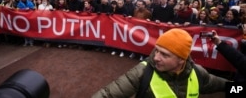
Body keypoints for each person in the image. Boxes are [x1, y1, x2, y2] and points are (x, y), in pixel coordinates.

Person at [92, 28, 228, 98]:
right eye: (157, 51)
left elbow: (224, 85)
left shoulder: (198, 73)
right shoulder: (143, 72)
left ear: (182, 59)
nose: (156, 58)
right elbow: (107, 95)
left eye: (164, 54)